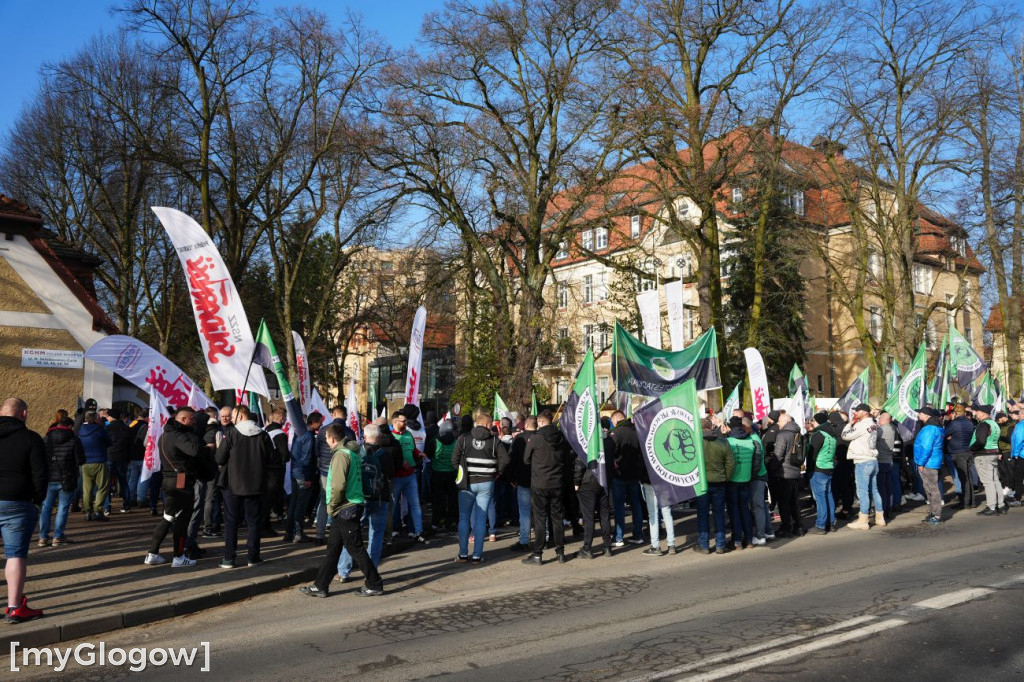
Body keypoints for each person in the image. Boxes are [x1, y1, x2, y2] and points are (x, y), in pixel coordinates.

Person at [299, 426, 383, 598]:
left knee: (355, 547)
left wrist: (332, 506)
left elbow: (337, 486)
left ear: (331, 439)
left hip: (345, 507)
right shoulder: (352, 452)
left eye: (326, 439)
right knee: (334, 548)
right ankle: (320, 585)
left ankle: (374, 583)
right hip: (349, 506)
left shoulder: (340, 455)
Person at [0, 399, 47, 624]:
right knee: (15, 554)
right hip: (17, 502)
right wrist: (37, 499)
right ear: (24, 413)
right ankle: (14, 607)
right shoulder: (30, 438)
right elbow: (40, 473)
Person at [216, 405, 273, 568]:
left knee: (231, 522)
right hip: (256, 485)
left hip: (233, 485)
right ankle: (253, 557)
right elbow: (271, 457)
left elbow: (219, 458)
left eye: (233, 416)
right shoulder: (263, 434)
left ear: (240, 416)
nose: (231, 420)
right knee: (253, 522)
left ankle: (229, 558)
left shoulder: (232, 433)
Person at [146, 406, 203, 567]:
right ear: (183, 419)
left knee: (168, 517)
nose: (194, 422)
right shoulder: (179, 436)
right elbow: (193, 451)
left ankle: (152, 552)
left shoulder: (164, 435)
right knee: (182, 520)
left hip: (168, 480)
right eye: (192, 419)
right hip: (181, 481)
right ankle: (178, 557)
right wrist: (202, 446)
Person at [451, 409, 509, 563]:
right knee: (481, 519)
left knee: (463, 518)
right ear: (488, 424)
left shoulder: (464, 438)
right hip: (487, 482)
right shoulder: (495, 440)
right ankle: (477, 555)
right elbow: (505, 460)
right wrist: (497, 473)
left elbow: (454, 460)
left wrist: (461, 472)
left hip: (467, 483)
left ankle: (463, 554)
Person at [338, 424, 394, 581]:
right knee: (376, 535)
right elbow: (390, 475)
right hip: (380, 499)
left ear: (364, 435)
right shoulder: (385, 454)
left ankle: (343, 571)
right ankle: (371, 571)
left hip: (359, 499)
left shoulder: (357, 452)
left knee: (352, 535)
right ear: (379, 437)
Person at [521, 410, 570, 565]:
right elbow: (566, 457)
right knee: (557, 517)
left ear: (541, 422)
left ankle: (538, 553)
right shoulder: (561, 437)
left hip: (540, 483)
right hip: (557, 483)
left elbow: (526, 459)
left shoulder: (536, 438)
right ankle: (560, 551)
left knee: (540, 518)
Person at [39, 417, 83, 546]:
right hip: (67, 478)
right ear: (70, 426)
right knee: (63, 508)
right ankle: (57, 536)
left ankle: (43, 537)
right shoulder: (74, 439)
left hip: (48, 478)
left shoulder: (46, 439)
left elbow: (39, 458)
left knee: (46, 508)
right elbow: (80, 460)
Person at [693, 416, 734, 554]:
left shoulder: (695, 443)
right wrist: (725, 478)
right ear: (711, 427)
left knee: (702, 514)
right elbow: (730, 463)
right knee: (719, 514)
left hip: (701, 483)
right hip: (719, 482)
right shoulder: (723, 442)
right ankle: (720, 545)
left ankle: (704, 545)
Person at [575, 417, 612, 559]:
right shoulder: (609, 441)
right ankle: (607, 546)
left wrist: (576, 481)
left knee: (589, 517)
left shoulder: (589, 441)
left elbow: (580, 462)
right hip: (603, 481)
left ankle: (587, 548)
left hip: (588, 483)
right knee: (604, 515)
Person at [390, 408, 428, 544]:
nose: (406, 423)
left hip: (410, 474)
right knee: (394, 505)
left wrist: (419, 454)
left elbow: (413, 449)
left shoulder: (408, 434)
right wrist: (400, 464)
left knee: (415, 503)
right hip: (396, 476)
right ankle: (394, 529)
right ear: (395, 422)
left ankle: (417, 531)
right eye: (403, 421)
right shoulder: (390, 437)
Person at [842, 403, 882, 530]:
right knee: (874, 490)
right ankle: (880, 518)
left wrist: (849, 423)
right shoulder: (875, 424)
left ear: (865, 412)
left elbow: (845, 436)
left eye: (858, 410)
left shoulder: (861, 425)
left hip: (863, 460)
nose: (856, 412)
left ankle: (863, 520)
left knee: (862, 491)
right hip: (873, 459)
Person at [285, 412, 323, 543]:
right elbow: (307, 459)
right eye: (320, 422)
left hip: (295, 472)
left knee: (294, 504)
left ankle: (289, 532)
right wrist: (307, 478)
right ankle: (298, 533)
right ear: (315, 422)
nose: (322, 424)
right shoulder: (309, 437)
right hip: (303, 474)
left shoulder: (299, 433)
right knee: (300, 505)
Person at [609, 411, 645, 547]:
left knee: (619, 507)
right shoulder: (637, 430)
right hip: (635, 474)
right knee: (636, 505)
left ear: (615, 420)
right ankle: (638, 534)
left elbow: (612, 452)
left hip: (620, 474)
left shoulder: (616, 433)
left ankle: (618, 537)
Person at [725, 416, 756, 550]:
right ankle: (749, 540)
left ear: (731, 427)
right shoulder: (750, 441)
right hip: (746, 480)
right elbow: (756, 461)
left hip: (732, 481)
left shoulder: (728, 442)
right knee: (745, 509)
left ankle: (737, 541)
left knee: (734, 511)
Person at [508, 416, 537, 551]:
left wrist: (511, 478)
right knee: (541, 511)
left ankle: (524, 540)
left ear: (525, 425)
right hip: (539, 480)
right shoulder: (541, 437)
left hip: (523, 480)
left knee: (524, 512)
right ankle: (545, 538)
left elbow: (512, 460)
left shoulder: (518, 440)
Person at [772, 413, 803, 538]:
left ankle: (786, 527)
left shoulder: (783, 435)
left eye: (779, 421)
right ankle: (798, 526)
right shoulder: (799, 433)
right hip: (796, 471)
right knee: (794, 502)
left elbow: (778, 455)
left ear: (785, 422)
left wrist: (772, 468)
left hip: (784, 473)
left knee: (783, 503)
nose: (778, 424)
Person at [972, 404, 1005, 516]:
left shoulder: (983, 424)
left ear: (982, 413)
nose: (975, 413)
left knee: (988, 482)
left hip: (983, 455)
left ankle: (991, 507)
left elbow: (981, 441)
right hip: (993, 453)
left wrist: (972, 449)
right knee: (995, 480)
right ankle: (1001, 505)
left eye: (977, 411)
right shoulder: (994, 423)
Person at [78, 410, 111, 521]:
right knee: (102, 487)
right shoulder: (100, 430)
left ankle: (88, 512)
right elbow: (110, 442)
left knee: (87, 489)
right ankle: (98, 510)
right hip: (99, 460)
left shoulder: (80, 430)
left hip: (85, 463)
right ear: (96, 419)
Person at [261, 408, 290, 537]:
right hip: (275, 472)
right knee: (269, 501)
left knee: (264, 502)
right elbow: (284, 456)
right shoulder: (280, 434)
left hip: (263, 470)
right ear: (282, 418)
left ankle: (265, 526)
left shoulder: (264, 430)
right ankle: (264, 528)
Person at [913, 407, 945, 525]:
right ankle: (933, 512)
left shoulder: (929, 429)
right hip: (931, 461)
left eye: (920, 413)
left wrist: (921, 462)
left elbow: (926, 447)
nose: (918, 415)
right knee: (929, 489)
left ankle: (936, 514)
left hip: (928, 462)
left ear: (926, 415)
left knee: (932, 489)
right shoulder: (936, 427)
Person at [807, 412, 837, 534]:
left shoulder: (818, 434)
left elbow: (811, 454)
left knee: (820, 498)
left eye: (813, 421)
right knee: (828, 495)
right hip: (828, 467)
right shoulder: (832, 435)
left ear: (818, 421)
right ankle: (831, 522)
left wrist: (808, 470)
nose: (812, 423)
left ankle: (820, 525)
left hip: (818, 468)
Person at [944, 404, 976, 509]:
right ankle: (971, 501)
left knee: (964, 477)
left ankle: (965, 502)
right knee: (968, 477)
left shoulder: (955, 423)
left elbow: (945, 433)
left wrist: (950, 423)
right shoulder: (969, 422)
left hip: (958, 452)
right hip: (968, 451)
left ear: (955, 413)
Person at [430, 418, 458, 531]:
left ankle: (437, 521)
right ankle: (450, 521)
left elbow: (429, 454)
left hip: (437, 473)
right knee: (452, 499)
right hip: (452, 473)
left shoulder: (434, 441)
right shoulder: (456, 441)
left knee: (438, 499)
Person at [103, 408, 133, 514]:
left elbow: (104, 444)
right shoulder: (127, 428)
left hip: (109, 457)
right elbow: (130, 445)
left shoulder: (107, 428)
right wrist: (128, 458)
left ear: (111, 417)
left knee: (107, 483)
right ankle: (126, 505)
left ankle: (107, 507)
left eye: (108, 416)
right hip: (122, 457)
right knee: (123, 481)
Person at [876, 412, 897, 520]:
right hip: (888, 461)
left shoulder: (882, 430)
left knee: (882, 487)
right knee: (888, 487)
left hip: (881, 461)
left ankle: (883, 509)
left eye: (879, 418)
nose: (878, 420)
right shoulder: (892, 428)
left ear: (884, 419)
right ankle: (889, 508)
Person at [127, 411, 148, 511]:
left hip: (132, 455)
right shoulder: (147, 426)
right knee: (143, 477)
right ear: (147, 417)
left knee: (133, 478)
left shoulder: (131, 425)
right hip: (143, 455)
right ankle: (141, 499)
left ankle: (131, 498)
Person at [1010, 406, 1024, 505]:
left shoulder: (1020, 425)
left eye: (1019, 414)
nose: (1018, 415)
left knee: (1018, 477)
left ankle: (1017, 499)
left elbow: (1019, 440)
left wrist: (1015, 454)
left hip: (1021, 455)